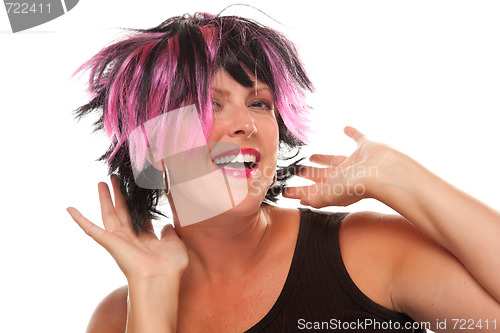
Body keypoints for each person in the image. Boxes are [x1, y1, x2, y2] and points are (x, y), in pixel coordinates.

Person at [67, 12, 500, 333]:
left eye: (259, 103)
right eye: (210, 104)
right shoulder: (115, 319)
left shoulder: (369, 252)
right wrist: (153, 289)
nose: (246, 124)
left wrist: (403, 179)